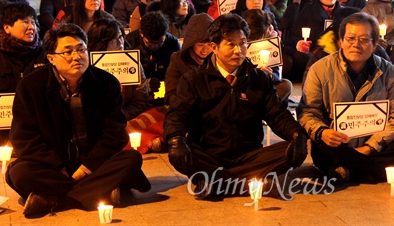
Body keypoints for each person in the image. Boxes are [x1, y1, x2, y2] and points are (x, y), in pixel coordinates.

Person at [6, 24, 151, 218]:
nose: (77, 56)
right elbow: (24, 139)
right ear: (51, 58)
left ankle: (54, 200)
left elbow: (114, 133)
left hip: (93, 162)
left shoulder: (107, 83)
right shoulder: (30, 87)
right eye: (68, 52)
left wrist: (86, 167)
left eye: (81, 49)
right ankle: (96, 192)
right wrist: (59, 168)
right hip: (54, 166)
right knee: (19, 173)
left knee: (132, 159)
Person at [163, 14, 307, 199]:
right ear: (214, 47)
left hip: (250, 155)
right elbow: (177, 113)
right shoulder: (194, 79)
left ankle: (216, 183)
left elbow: (276, 114)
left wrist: (296, 134)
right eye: (230, 44)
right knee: (183, 152)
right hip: (209, 155)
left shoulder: (258, 78)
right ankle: (250, 185)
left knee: (290, 150)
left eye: (243, 43)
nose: (238, 50)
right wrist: (175, 138)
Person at [298, 12, 394, 184]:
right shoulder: (320, 70)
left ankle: (349, 170)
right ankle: (389, 172)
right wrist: (323, 132)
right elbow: (307, 112)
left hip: (376, 144)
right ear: (341, 41)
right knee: (322, 150)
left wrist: (369, 147)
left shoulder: (389, 72)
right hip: (337, 144)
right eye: (350, 39)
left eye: (364, 40)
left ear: (375, 44)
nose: (356, 45)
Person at [0, 3, 46, 158]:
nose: (31, 27)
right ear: (7, 27)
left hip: (34, 143)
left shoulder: (44, 55)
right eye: (25, 22)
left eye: (33, 22)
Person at [87, 19, 150, 122]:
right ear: (101, 41)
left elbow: (140, 100)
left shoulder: (132, 62)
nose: (120, 42)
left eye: (120, 37)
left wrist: (120, 117)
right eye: (113, 39)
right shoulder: (88, 67)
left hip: (127, 118)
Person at [287, 0, 343, 81]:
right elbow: (293, 37)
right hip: (313, 53)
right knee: (300, 55)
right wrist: (300, 43)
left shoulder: (343, 12)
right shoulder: (309, 10)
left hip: (337, 53)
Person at [126, 11, 181, 106]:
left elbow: (179, 72)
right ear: (141, 33)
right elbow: (125, 76)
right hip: (137, 96)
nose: (155, 46)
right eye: (150, 42)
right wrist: (143, 84)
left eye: (160, 42)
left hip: (165, 91)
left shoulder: (173, 43)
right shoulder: (129, 42)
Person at [165, 13, 214, 106]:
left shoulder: (218, 58)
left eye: (210, 44)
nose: (205, 49)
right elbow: (170, 93)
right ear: (191, 43)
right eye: (200, 44)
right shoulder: (177, 60)